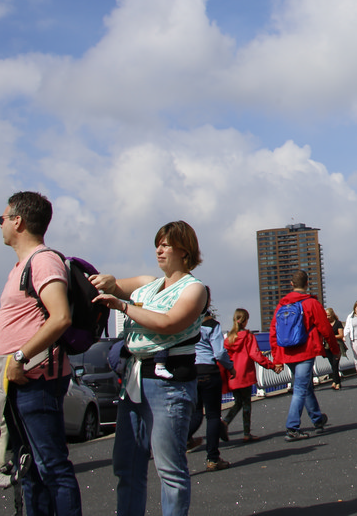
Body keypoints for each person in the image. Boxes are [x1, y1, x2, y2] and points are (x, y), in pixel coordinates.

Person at [0, 191, 83, 516]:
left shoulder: (42, 261)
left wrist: (20, 357)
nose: (0, 225)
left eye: (2, 219)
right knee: (30, 467)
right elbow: (28, 321)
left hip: (36, 379)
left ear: (18, 221)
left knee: (51, 466)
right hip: (20, 380)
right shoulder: (21, 266)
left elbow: (60, 317)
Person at [91, 220, 208, 516]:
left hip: (168, 383)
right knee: (126, 464)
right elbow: (115, 286)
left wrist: (123, 306)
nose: (159, 250)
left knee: (170, 469)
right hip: (135, 380)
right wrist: (107, 282)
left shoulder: (194, 289)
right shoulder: (148, 283)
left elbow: (169, 323)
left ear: (184, 250)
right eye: (158, 244)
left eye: (166, 244)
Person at [270, 270, 337, 441]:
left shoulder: (281, 305)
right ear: (307, 284)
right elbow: (326, 329)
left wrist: (277, 358)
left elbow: (273, 332)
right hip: (306, 350)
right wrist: (334, 350)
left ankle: (317, 419)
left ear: (291, 284)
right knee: (300, 388)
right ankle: (292, 427)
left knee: (305, 386)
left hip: (287, 352)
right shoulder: (311, 303)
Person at [186, 292, 235, 471]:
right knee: (213, 416)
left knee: (196, 413)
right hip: (209, 371)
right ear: (207, 303)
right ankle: (212, 458)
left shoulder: (187, 323)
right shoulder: (212, 325)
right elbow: (219, 353)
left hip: (192, 371)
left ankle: (181, 441)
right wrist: (230, 367)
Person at [223, 308, 281, 441]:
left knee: (238, 402)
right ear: (245, 321)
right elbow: (256, 355)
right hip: (245, 374)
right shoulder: (248, 336)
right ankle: (246, 433)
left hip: (233, 375)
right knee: (246, 404)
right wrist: (271, 366)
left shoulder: (229, 339)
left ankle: (226, 422)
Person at [323, 307, 344, 390]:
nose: (327, 317)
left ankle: (336, 382)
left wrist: (332, 337)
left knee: (335, 364)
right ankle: (336, 381)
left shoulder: (338, 323)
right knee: (333, 365)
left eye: (328, 315)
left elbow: (341, 335)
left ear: (332, 315)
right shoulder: (325, 324)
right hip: (328, 346)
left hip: (337, 345)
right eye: (326, 315)